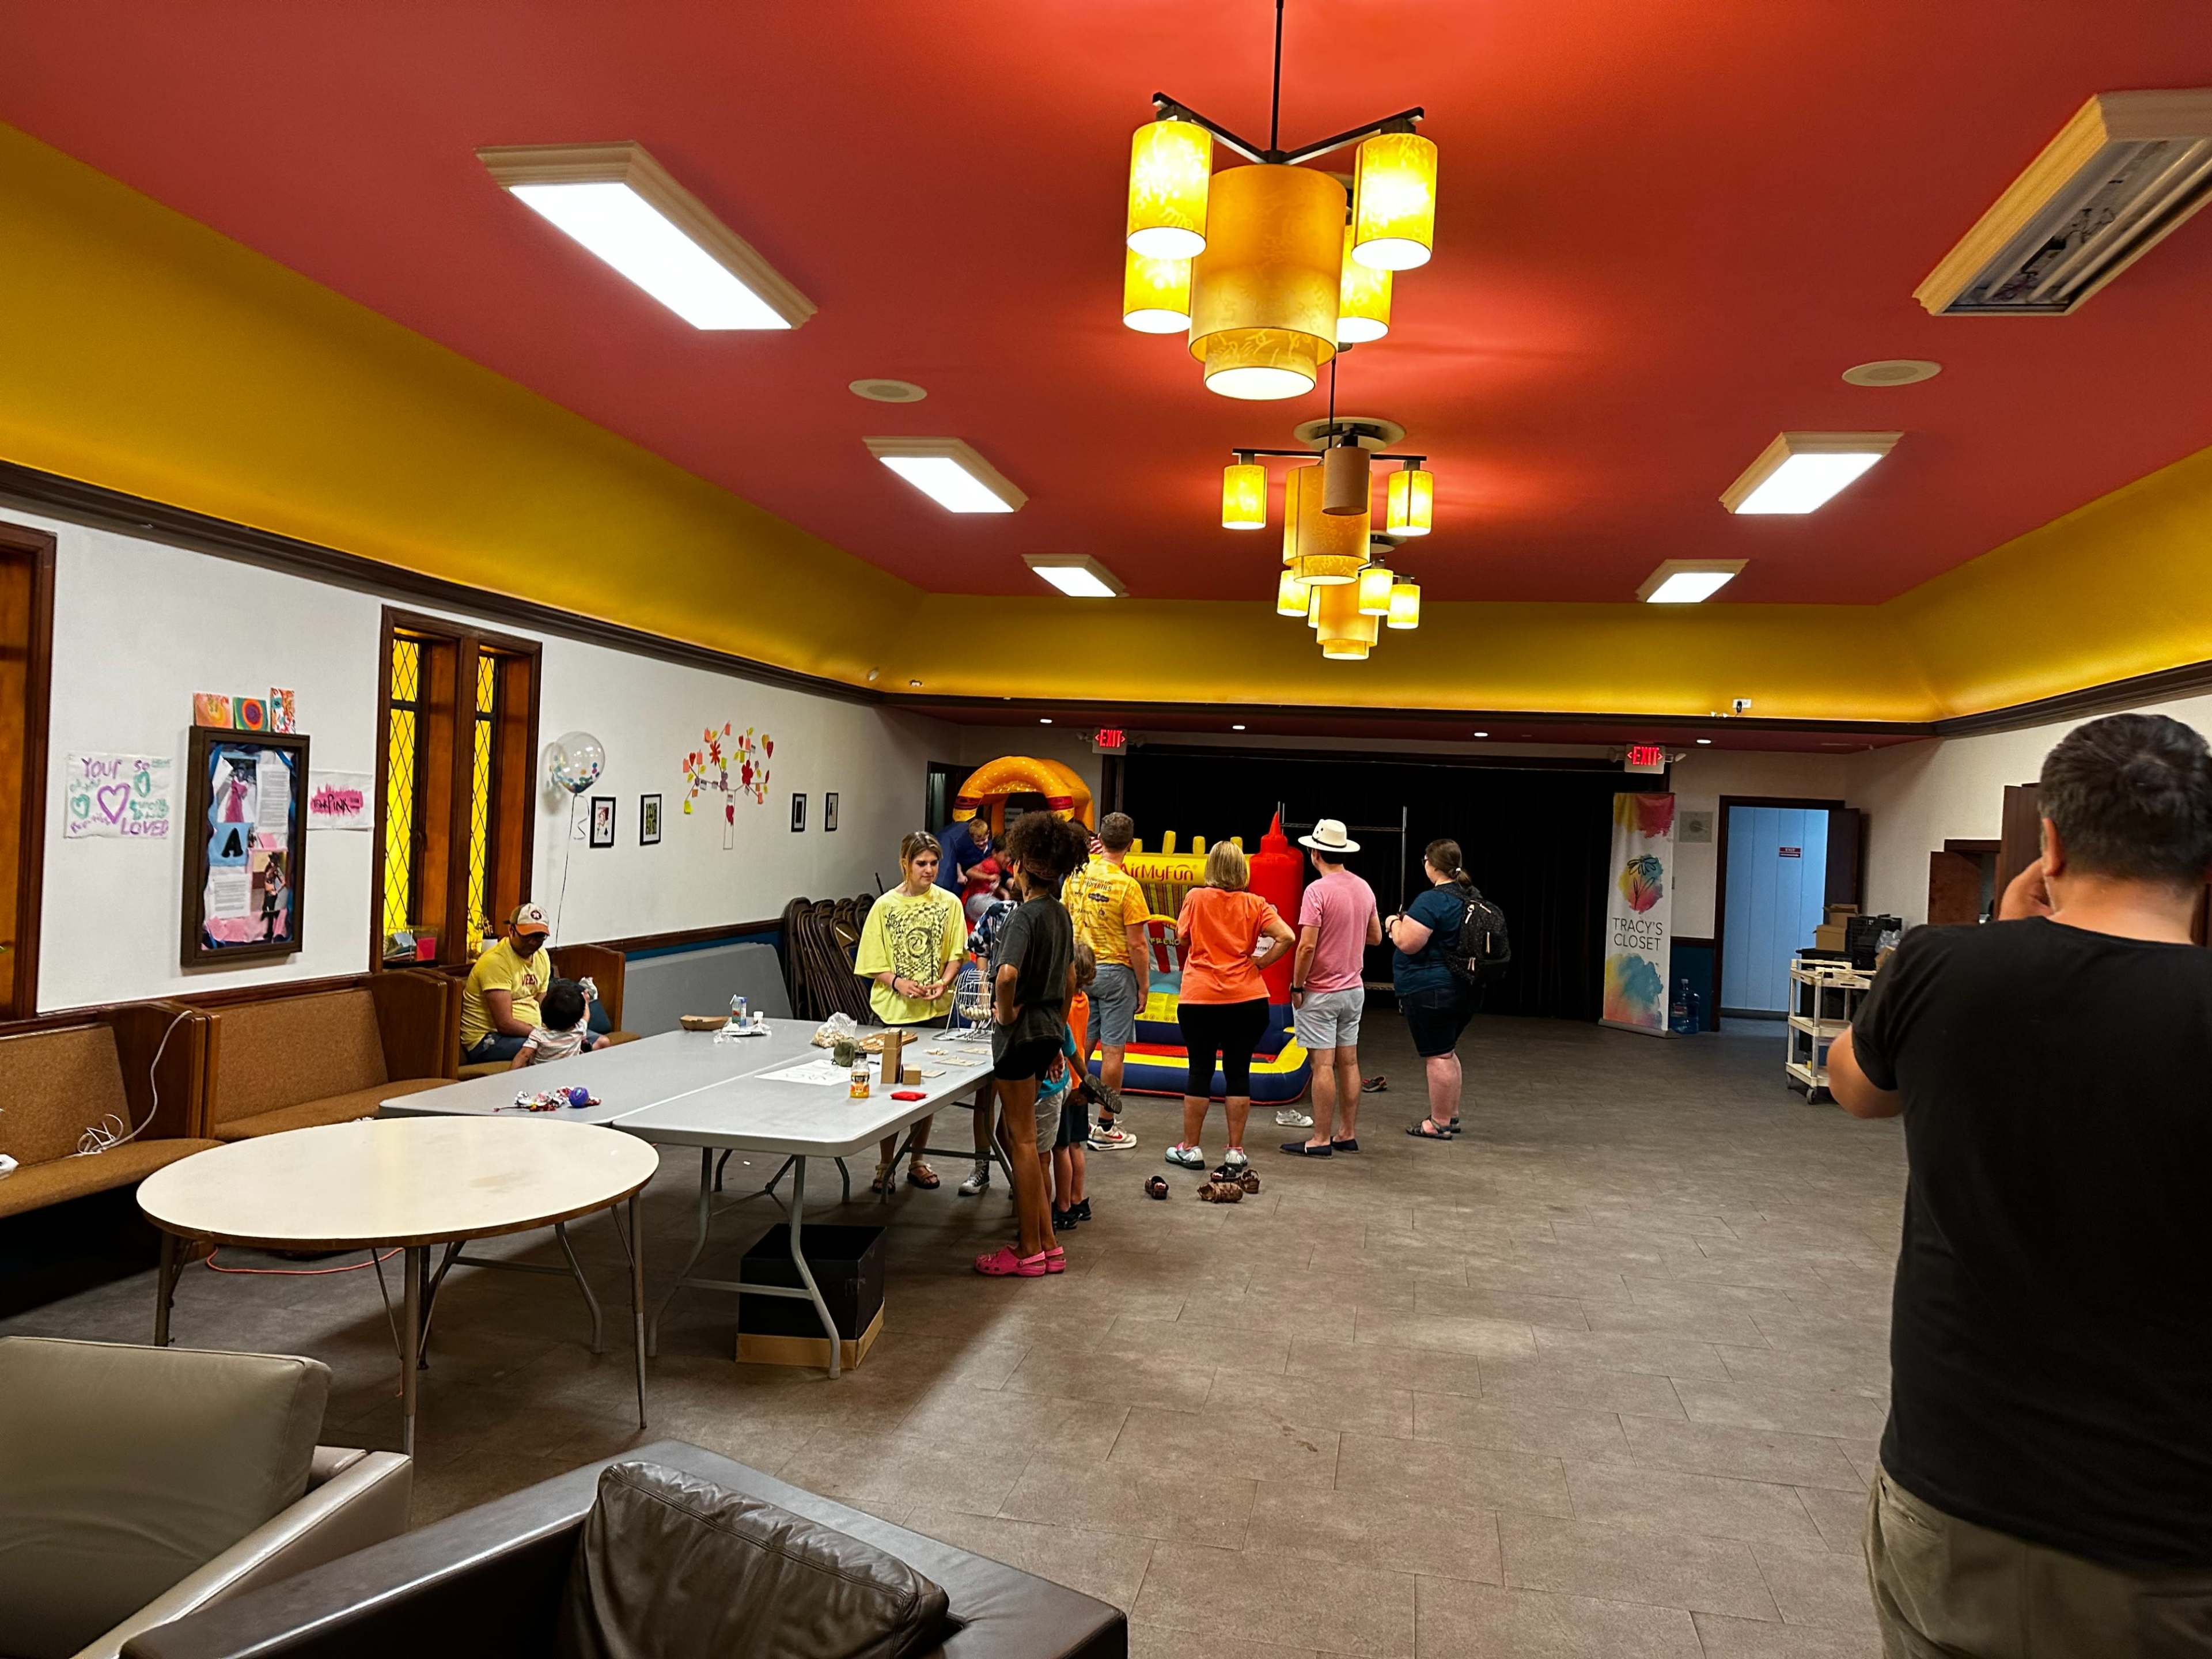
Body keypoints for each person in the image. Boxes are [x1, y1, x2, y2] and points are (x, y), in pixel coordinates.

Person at [1825, 713, 2212, 1658]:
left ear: (2051, 843)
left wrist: (2001, 935)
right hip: (2166, 1534)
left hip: (1951, 1489)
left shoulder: (1941, 965)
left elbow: (1857, 1089)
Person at [975, 809, 1092, 1277]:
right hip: (1047, 1033)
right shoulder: (1061, 915)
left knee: (1021, 1141)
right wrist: (1056, 1032)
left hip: (1019, 1038)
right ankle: (1048, 1244)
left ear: (1022, 864)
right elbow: (1069, 980)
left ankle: (1027, 1250)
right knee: (1024, 1141)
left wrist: (1004, 1014)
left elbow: (1006, 975)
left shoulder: (1023, 917)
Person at [1165, 841, 1293, 1172]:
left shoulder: (1195, 898)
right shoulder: (1256, 903)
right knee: (1238, 1072)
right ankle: (1235, 1150)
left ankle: (1190, 1148)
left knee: (1200, 1071)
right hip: (1248, 999)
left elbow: (1182, 939)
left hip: (1200, 999)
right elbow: (1287, 937)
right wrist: (1260, 963)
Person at [853, 831, 967, 1192]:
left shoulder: (950, 903)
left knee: (925, 1090)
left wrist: (944, 982)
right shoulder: (885, 907)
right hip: (894, 1012)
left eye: (934, 863)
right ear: (905, 863)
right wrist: (898, 982)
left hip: (933, 1011)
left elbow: (956, 953)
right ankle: (885, 1162)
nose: (929, 870)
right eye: (921, 864)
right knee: (891, 1088)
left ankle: (917, 1159)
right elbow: (871, 961)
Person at [1283, 819, 1381, 1157]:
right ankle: (1347, 1133)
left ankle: (1320, 1138)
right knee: (1349, 1063)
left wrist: (1297, 985)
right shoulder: (1363, 887)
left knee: (1322, 1066)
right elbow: (1376, 937)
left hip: (1321, 991)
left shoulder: (1316, 891)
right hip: (1353, 989)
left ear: (1315, 853)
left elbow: (1307, 946)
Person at [1063, 812, 1150, 1151]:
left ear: (1100, 838)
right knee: (1113, 1050)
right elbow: (1137, 945)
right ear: (1130, 844)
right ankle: (1106, 1125)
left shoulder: (1075, 876)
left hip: (1079, 968)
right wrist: (1144, 985)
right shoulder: (1128, 886)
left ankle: (1070, 1113)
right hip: (1115, 973)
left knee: (1079, 1042)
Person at [1387, 840, 1479, 1141]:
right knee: (1447, 1052)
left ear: (1432, 864)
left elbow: (1408, 943)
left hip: (1432, 990)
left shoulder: (1432, 900)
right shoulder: (1471, 896)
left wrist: (1392, 924)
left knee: (1438, 1056)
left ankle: (1438, 1123)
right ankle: (1450, 1115)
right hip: (1464, 989)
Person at [461, 903, 558, 1066]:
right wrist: (543, 1035)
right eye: (527, 936)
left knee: (580, 1040)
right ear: (511, 930)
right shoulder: (496, 962)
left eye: (539, 937)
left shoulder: (542, 956)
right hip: (488, 1039)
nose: (533, 942)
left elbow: (542, 1000)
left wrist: (560, 1027)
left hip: (529, 1032)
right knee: (551, 1048)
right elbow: (505, 1024)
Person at [1050, 945, 1096, 1230]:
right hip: (1080, 1081)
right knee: (1076, 1145)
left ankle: (1064, 1206)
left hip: (1064, 1081)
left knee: (1060, 1147)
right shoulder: (1084, 1000)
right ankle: (1078, 1198)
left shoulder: (1063, 1006)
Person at [507, 979, 601, 1069]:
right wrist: (586, 1002)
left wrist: (510, 1075)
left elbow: (524, 1055)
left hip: (541, 1073)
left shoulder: (539, 1034)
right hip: (569, 1070)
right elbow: (586, 1017)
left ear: (544, 1012)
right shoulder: (579, 1028)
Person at [934, 816, 994, 895]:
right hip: (949, 847)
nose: (981, 843)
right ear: (972, 838)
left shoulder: (991, 847)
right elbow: (960, 861)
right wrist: (960, 875)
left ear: (988, 834)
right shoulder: (966, 847)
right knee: (945, 885)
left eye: (984, 840)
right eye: (978, 841)